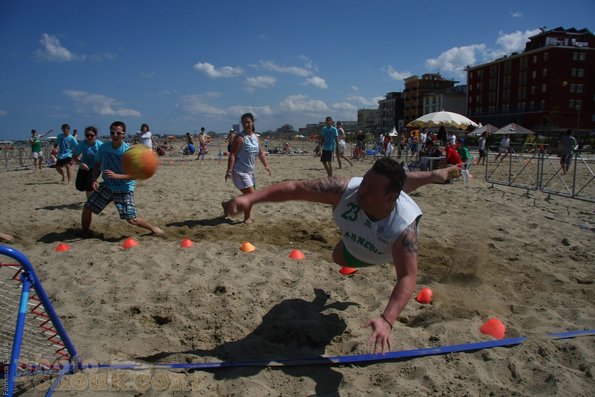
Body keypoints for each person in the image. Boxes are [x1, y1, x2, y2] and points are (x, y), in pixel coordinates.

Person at [222, 158, 461, 354]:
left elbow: (407, 277)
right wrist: (250, 198)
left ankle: (433, 176)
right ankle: (435, 175)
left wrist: (387, 320)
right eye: (364, 182)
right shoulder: (346, 190)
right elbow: (296, 188)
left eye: (370, 189)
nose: (361, 192)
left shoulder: (403, 230)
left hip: (381, 248)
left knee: (388, 196)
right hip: (361, 236)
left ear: (390, 198)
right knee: (338, 256)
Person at [81, 121, 164, 237]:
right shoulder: (103, 148)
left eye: (118, 133)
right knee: (87, 207)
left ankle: (154, 229)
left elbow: (134, 175)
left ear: (123, 134)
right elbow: (97, 164)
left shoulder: (128, 152)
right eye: (112, 133)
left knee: (131, 219)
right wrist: (94, 179)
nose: (115, 135)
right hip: (108, 185)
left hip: (124, 188)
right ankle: (85, 232)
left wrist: (117, 176)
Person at [225, 113, 271, 223]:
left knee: (250, 195)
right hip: (239, 171)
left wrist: (266, 165)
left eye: (248, 122)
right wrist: (229, 170)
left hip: (250, 172)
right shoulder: (240, 138)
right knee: (251, 195)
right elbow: (232, 154)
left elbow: (260, 153)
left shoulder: (255, 137)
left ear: (252, 122)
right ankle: (247, 218)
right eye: (244, 122)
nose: (246, 124)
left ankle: (228, 205)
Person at [73, 126, 103, 198]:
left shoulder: (100, 145)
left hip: (95, 168)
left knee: (88, 186)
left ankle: (89, 204)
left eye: (91, 135)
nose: (89, 137)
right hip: (84, 167)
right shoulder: (82, 144)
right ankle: (98, 186)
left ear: (96, 136)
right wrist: (81, 163)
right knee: (79, 187)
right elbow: (74, 156)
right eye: (87, 135)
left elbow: (106, 158)